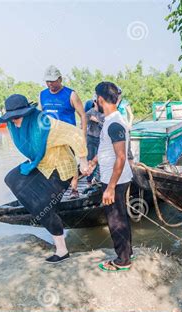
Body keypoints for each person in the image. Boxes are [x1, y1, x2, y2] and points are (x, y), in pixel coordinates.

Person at [0, 94, 88, 263]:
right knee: (12, 178)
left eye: (18, 117)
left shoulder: (46, 124)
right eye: (11, 118)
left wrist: (83, 161)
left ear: (27, 114)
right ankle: (44, 207)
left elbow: (76, 134)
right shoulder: (14, 126)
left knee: (43, 207)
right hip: (41, 164)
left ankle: (62, 250)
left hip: (61, 168)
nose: (15, 121)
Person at [87, 82, 133, 272]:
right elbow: (109, 148)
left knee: (115, 220)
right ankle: (127, 253)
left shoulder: (114, 123)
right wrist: (95, 161)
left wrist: (110, 187)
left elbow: (121, 156)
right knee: (121, 216)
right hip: (117, 177)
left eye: (95, 97)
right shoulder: (112, 120)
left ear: (100, 99)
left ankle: (122, 260)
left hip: (116, 180)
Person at [39, 65, 87, 199]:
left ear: (60, 79)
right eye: (47, 81)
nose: (50, 84)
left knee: (71, 162)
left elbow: (82, 114)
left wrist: (82, 134)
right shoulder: (42, 94)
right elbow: (41, 115)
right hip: (50, 136)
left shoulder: (71, 94)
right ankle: (53, 191)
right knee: (51, 163)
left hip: (68, 135)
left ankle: (74, 190)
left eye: (53, 81)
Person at [85, 97, 103, 185]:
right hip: (90, 137)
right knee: (90, 158)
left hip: (101, 138)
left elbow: (106, 125)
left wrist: (97, 120)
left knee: (100, 158)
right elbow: (83, 123)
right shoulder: (89, 112)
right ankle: (89, 180)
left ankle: (98, 179)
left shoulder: (105, 113)